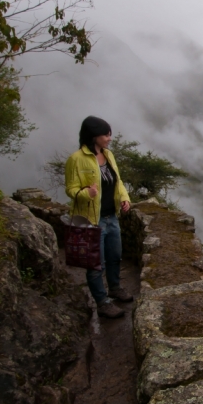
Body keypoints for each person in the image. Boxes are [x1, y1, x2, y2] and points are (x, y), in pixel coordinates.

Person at [65, 116, 133, 318]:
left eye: (109, 134)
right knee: (95, 264)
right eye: (106, 134)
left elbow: (118, 182)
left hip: (111, 217)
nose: (109, 138)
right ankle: (102, 302)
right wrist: (88, 194)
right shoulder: (76, 159)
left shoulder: (109, 155)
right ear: (93, 136)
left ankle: (115, 288)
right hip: (91, 221)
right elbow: (70, 189)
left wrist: (124, 198)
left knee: (114, 257)